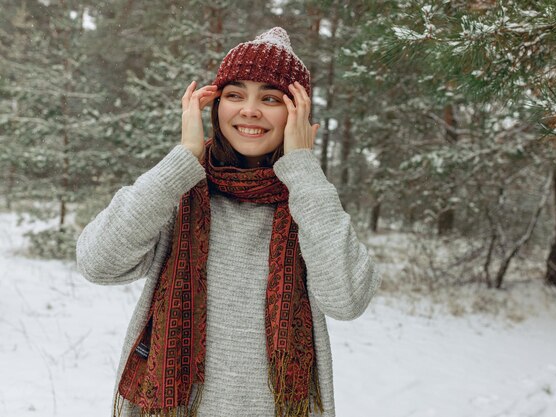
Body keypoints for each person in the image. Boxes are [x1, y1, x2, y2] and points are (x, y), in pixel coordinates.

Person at [76, 27, 382, 417]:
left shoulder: (310, 203)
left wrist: (303, 170)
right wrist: (184, 157)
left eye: (270, 98)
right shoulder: (180, 189)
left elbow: (347, 299)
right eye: (235, 95)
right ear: (216, 105)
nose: (249, 110)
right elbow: (98, 263)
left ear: (298, 115)